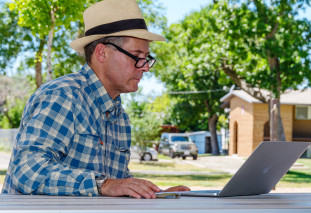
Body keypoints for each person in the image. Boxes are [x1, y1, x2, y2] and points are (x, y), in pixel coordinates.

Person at [2, 0, 190, 198]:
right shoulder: (63, 96)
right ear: (102, 52)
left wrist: (154, 195)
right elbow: (26, 171)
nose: (144, 67)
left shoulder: (120, 117)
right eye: (137, 56)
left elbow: (114, 187)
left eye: (147, 57)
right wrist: (103, 184)